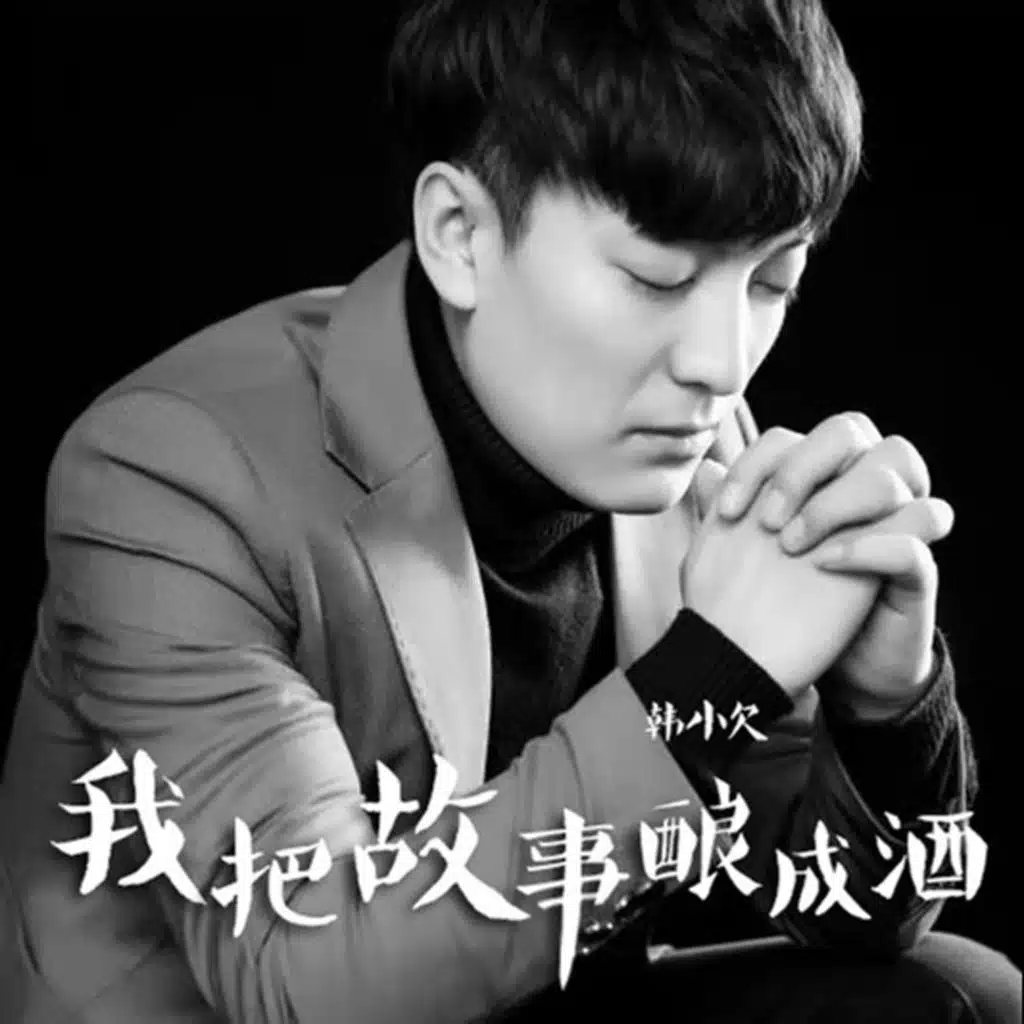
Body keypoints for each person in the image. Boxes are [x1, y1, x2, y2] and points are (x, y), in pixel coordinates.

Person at [0, 1, 1020, 1021]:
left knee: (959, 998)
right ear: (460, 235)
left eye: (771, 281)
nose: (721, 363)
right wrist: (709, 675)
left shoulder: (699, 451)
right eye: (654, 278)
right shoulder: (170, 471)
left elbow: (850, 913)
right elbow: (307, 976)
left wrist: (887, 711)